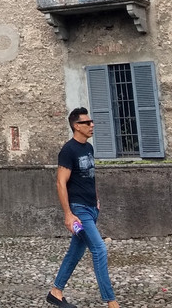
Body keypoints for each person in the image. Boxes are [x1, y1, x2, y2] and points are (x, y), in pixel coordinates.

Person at [47, 108, 120, 308]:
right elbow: (61, 183)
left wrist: (96, 199)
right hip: (79, 211)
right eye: (87, 122)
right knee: (99, 249)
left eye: (91, 122)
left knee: (75, 252)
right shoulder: (68, 150)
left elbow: (89, 176)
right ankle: (111, 301)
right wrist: (68, 214)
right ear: (76, 126)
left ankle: (56, 292)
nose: (92, 125)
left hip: (91, 208)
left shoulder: (88, 148)